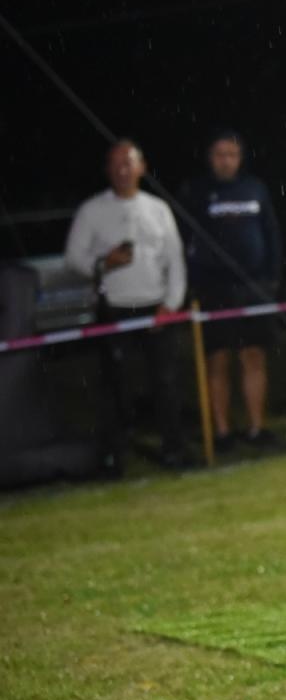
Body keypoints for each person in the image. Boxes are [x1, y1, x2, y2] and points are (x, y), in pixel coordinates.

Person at [63, 140, 190, 471]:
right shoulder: (92, 210)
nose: (123, 169)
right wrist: (103, 262)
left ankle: (174, 450)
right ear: (107, 169)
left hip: (155, 307)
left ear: (142, 167)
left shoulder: (158, 208)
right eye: (116, 163)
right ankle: (113, 456)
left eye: (129, 162)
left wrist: (171, 303)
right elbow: (74, 258)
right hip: (113, 309)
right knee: (114, 386)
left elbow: (176, 260)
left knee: (165, 382)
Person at [179, 130, 282, 450]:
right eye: (219, 154)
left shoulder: (255, 189)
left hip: (254, 288)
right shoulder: (196, 192)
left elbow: (272, 234)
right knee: (218, 359)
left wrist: (271, 279)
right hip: (214, 290)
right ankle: (222, 433)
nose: (225, 160)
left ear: (240, 158)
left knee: (253, 356)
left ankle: (256, 428)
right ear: (210, 159)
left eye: (231, 154)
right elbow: (185, 241)